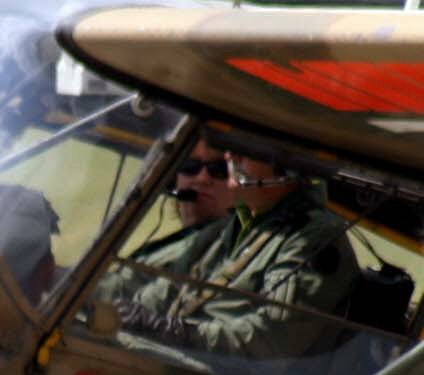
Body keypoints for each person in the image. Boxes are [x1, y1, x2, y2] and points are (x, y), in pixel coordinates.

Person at [117, 149, 358, 360]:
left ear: (287, 165)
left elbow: (273, 338)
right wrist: (111, 308)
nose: (230, 155)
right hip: (184, 366)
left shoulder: (314, 235)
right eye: (232, 146)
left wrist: (174, 331)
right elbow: (173, 288)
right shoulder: (242, 222)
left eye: (247, 148)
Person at [93, 135, 236, 303]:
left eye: (220, 169)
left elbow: (147, 300)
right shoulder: (172, 243)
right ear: (173, 180)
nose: (202, 178)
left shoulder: (226, 244)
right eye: (191, 166)